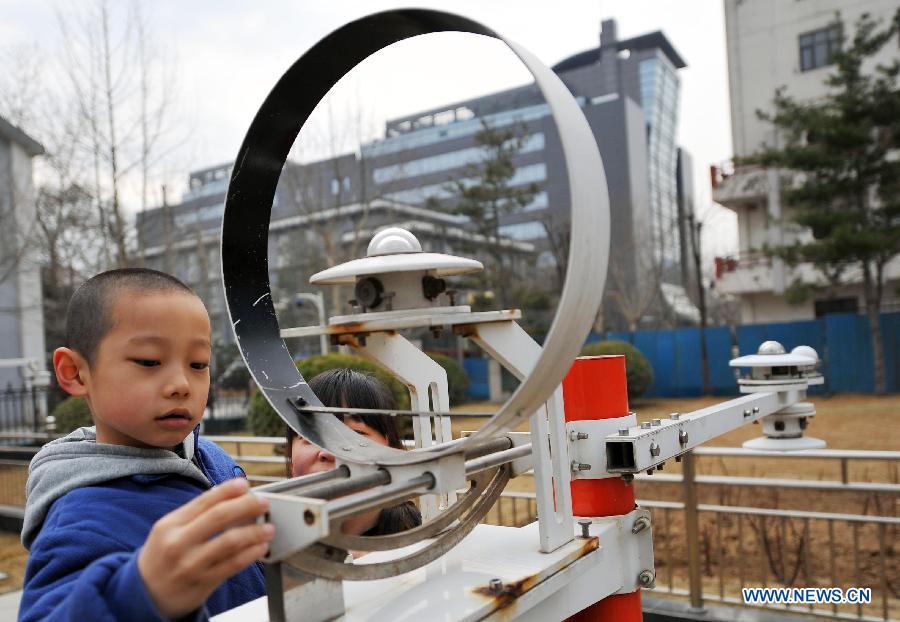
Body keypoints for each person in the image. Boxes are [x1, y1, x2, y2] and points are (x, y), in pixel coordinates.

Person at [20, 268, 270, 621]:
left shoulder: (210, 458)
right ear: (75, 372)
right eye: (149, 361)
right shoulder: (81, 520)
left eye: (198, 364)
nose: (182, 384)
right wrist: (141, 595)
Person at [287, 368, 421, 537]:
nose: (328, 453)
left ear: (393, 452)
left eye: (354, 434)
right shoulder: (261, 551)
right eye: (312, 436)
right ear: (291, 459)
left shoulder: (422, 548)